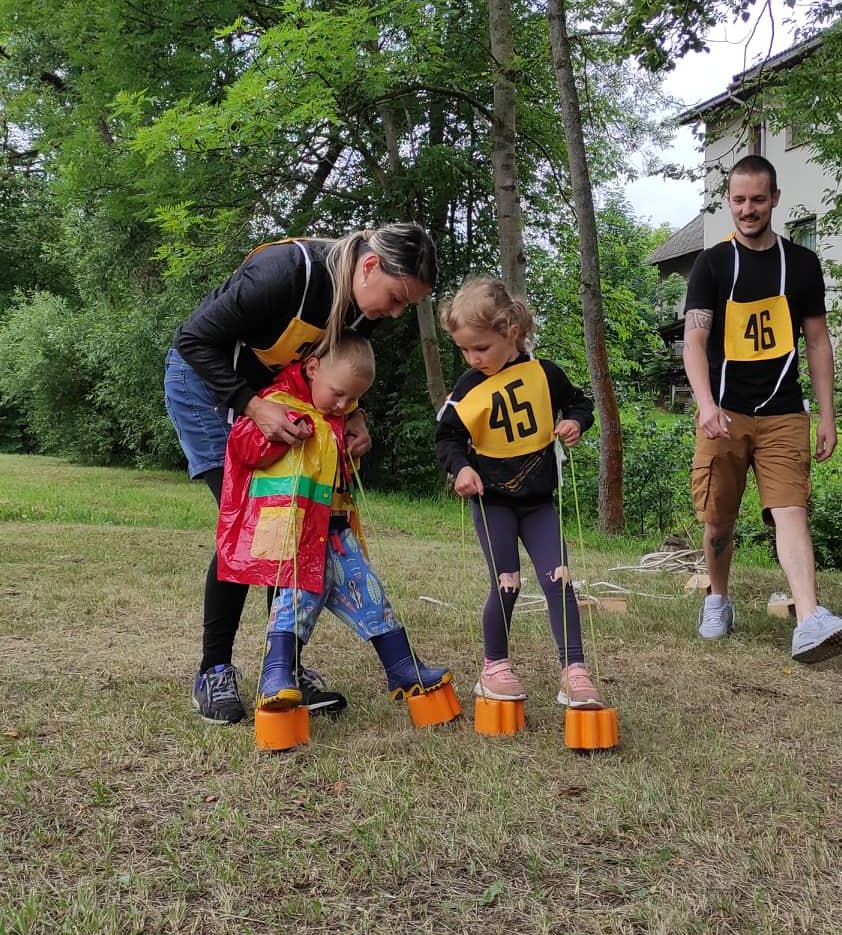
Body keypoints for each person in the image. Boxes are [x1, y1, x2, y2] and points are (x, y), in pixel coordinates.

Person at [164, 223, 437, 722]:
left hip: (276, 398)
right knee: (252, 524)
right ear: (370, 266)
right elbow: (193, 340)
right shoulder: (285, 273)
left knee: (293, 520)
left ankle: (283, 669)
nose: (395, 313)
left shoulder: (362, 303)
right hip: (206, 386)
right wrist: (251, 407)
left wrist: (352, 413)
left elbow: (337, 367)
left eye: (405, 306)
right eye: (397, 298)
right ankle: (214, 670)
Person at [682, 155, 842, 665]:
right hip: (724, 413)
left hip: (785, 412)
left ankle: (809, 621)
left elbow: (818, 341)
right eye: (738, 200)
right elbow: (694, 340)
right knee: (719, 520)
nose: (748, 209)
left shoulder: (802, 264)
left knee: (791, 511)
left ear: (775, 200)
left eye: (757, 199)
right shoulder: (712, 264)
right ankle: (717, 598)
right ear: (728, 203)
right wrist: (705, 405)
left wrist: (827, 415)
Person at [217, 331, 450, 708]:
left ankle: (403, 667)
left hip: (337, 532)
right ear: (312, 369)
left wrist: (354, 449)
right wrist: (281, 433)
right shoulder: (275, 405)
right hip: (295, 533)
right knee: (296, 600)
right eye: (338, 393)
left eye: (354, 398)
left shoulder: (337, 419)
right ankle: (277, 673)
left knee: (371, 594)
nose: (344, 404)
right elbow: (242, 447)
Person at [435, 276, 604, 708]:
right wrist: (462, 468)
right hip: (493, 504)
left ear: (510, 330)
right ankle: (495, 667)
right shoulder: (467, 388)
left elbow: (580, 403)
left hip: (539, 504)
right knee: (506, 583)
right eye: (464, 350)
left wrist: (575, 423)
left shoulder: (545, 374)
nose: (473, 358)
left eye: (481, 348)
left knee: (560, 580)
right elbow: (446, 439)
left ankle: (574, 671)